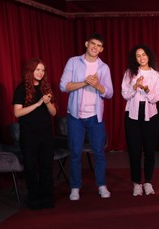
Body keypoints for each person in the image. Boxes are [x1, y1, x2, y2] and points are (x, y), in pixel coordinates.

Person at [60, 32, 113, 201]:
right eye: (93, 44)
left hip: (95, 117)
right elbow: (63, 86)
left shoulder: (103, 68)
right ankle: (75, 187)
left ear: (102, 49)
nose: (95, 47)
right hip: (75, 116)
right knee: (75, 153)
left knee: (99, 153)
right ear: (86, 43)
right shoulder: (74, 62)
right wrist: (85, 82)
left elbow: (109, 93)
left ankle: (102, 185)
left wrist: (97, 84)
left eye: (98, 45)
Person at [12, 58, 57, 210]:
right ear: (30, 71)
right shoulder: (21, 89)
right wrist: (37, 104)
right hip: (29, 134)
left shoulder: (45, 88)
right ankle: (34, 197)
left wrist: (47, 102)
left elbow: (53, 112)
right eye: (37, 69)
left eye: (43, 70)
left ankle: (47, 196)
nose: (40, 73)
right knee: (31, 167)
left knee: (46, 165)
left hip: (45, 134)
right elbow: (17, 113)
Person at [121, 44, 159, 196]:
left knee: (150, 151)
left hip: (150, 116)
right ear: (135, 58)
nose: (141, 58)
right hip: (132, 116)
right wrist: (134, 86)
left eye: (144, 54)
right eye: (138, 56)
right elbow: (125, 94)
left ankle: (148, 182)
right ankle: (136, 183)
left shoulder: (157, 75)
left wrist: (145, 89)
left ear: (149, 55)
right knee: (134, 151)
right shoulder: (129, 73)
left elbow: (156, 98)